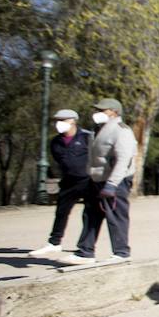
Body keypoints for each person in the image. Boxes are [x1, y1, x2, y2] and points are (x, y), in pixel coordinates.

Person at [56, 98, 135, 267]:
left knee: (115, 216)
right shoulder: (97, 130)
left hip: (115, 181)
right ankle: (85, 251)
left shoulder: (121, 130)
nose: (97, 113)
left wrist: (112, 184)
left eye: (102, 110)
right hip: (97, 180)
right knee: (90, 215)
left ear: (114, 112)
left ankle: (121, 252)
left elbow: (123, 159)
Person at [29, 109, 94, 258]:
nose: (59, 124)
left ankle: (86, 246)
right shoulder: (55, 142)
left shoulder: (87, 137)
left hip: (88, 181)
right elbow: (60, 161)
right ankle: (54, 243)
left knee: (90, 214)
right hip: (69, 182)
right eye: (57, 121)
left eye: (63, 120)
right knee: (61, 212)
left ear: (73, 121)